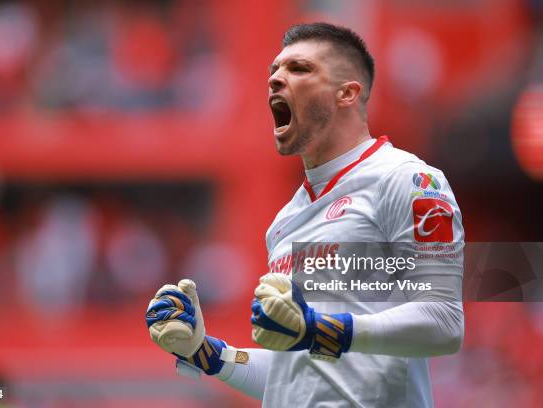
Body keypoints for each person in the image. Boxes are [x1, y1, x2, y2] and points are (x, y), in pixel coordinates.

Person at [146, 22, 464, 407]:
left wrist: (320, 329)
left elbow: (445, 322)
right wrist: (207, 353)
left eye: (299, 69)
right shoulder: (284, 221)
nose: (276, 79)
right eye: (274, 71)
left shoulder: (407, 180)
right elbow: (293, 375)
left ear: (347, 93)